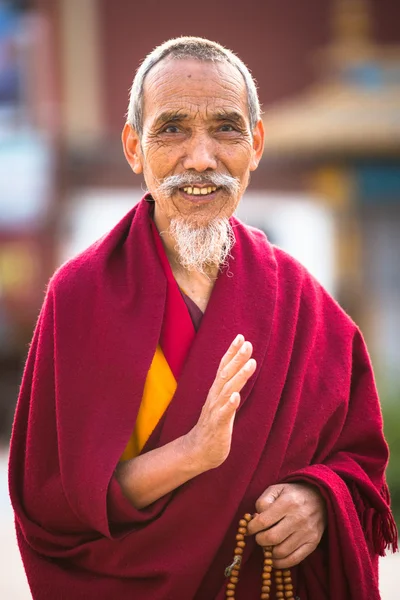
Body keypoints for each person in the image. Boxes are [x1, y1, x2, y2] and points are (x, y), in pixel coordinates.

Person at [8, 36, 397, 600]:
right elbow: (53, 503)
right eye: (170, 129)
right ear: (133, 147)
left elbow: (360, 467)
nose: (200, 158)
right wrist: (192, 454)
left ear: (256, 143)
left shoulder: (302, 304)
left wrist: (318, 500)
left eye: (225, 128)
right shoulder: (80, 297)